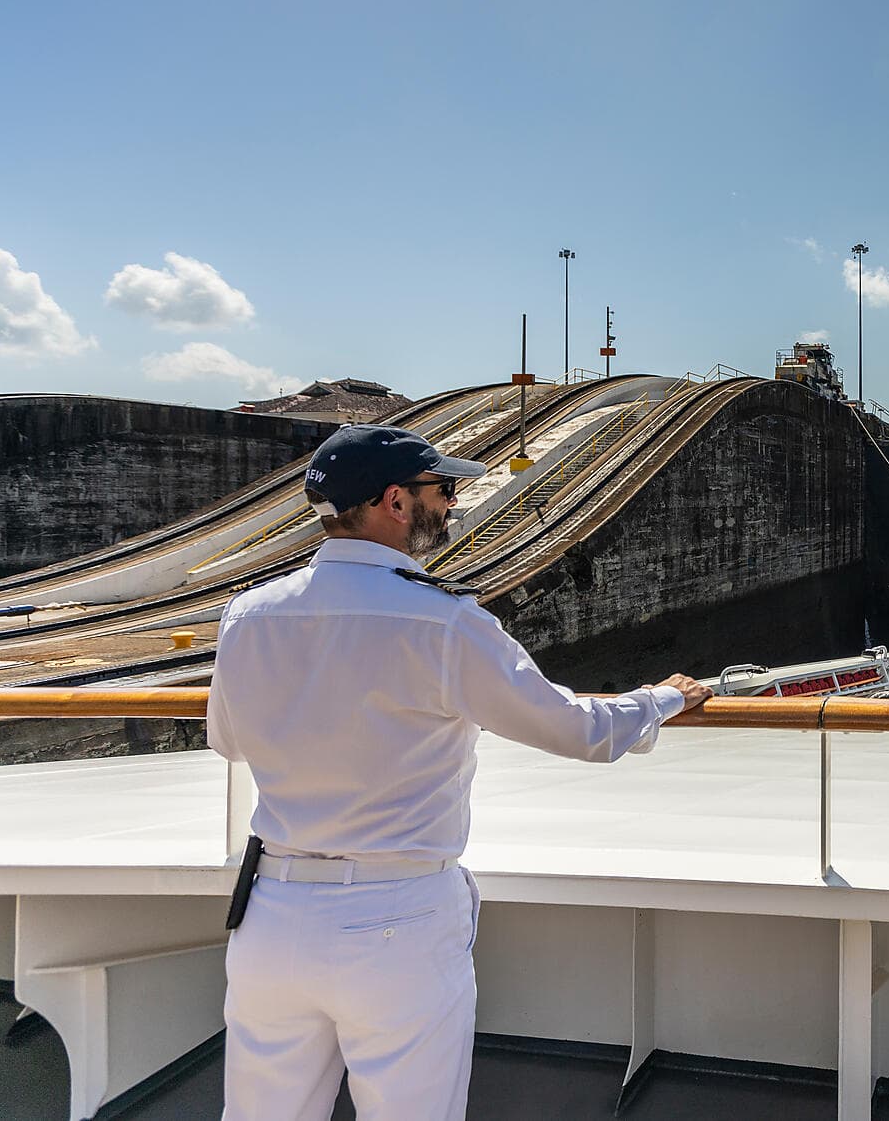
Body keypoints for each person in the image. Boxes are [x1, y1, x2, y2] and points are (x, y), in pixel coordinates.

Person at [207, 423, 710, 1119]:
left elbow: (230, 741)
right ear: (393, 501)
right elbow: (576, 728)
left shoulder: (248, 616)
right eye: (442, 489)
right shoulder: (443, 623)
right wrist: (660, 699)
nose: (451, 503)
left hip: (273, 916)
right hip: (395, 921)